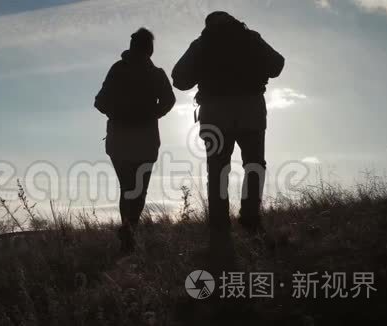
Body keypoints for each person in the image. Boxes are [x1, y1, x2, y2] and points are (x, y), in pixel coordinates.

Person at [172, 12, 284, 243]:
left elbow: (179, 79)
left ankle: (219, 224)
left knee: (217, 169)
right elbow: (277, 65)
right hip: (250, 110)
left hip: (215, 114)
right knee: (254, 165)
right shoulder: (251, 38)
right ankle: (250, 218)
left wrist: (204, 70)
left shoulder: (202, 44)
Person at [95, 28, 176, 253]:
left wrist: (119, 114)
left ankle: (128, 232)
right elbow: (169, 100)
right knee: (138, 190)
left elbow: (100, 102)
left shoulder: (117, 70)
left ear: (131, 46)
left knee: (127, 188)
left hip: (119, 139)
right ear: (150, 49)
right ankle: (130, 231)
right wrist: (151, 115)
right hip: (146, 140)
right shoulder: (156, 73)